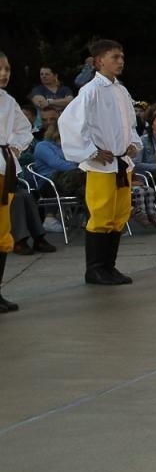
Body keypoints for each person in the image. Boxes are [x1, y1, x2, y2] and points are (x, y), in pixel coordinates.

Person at [58, 40, 140, 286]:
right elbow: (69, 123)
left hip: (121, 162)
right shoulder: (91, 90)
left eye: (122, 56)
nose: (120, 61)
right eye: (115, 57)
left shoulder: (121, 91)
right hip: (101, 166)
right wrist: (91, 151)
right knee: (101, 214)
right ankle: (94, 269)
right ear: (99, 61)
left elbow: (130, 123)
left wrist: (134, 143)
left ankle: (109, 267)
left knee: (119, 214)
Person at [0, 51, 34, 311]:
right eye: (0, 69)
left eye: (7, 69)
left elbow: (24, 130)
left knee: (2, 230)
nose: (4, 73)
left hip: (4, 168)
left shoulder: (8, 101)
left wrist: (15, 148)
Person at [28, 66, 73, 130]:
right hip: (42, 127)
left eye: (47, 74)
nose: (43, 76)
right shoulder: (37, 90)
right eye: (41, 74)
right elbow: (42, 104)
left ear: (55, 76)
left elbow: (71, 102)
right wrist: (62, 103)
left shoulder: (65, 89)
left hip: (63, 126)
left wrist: (49, 102)